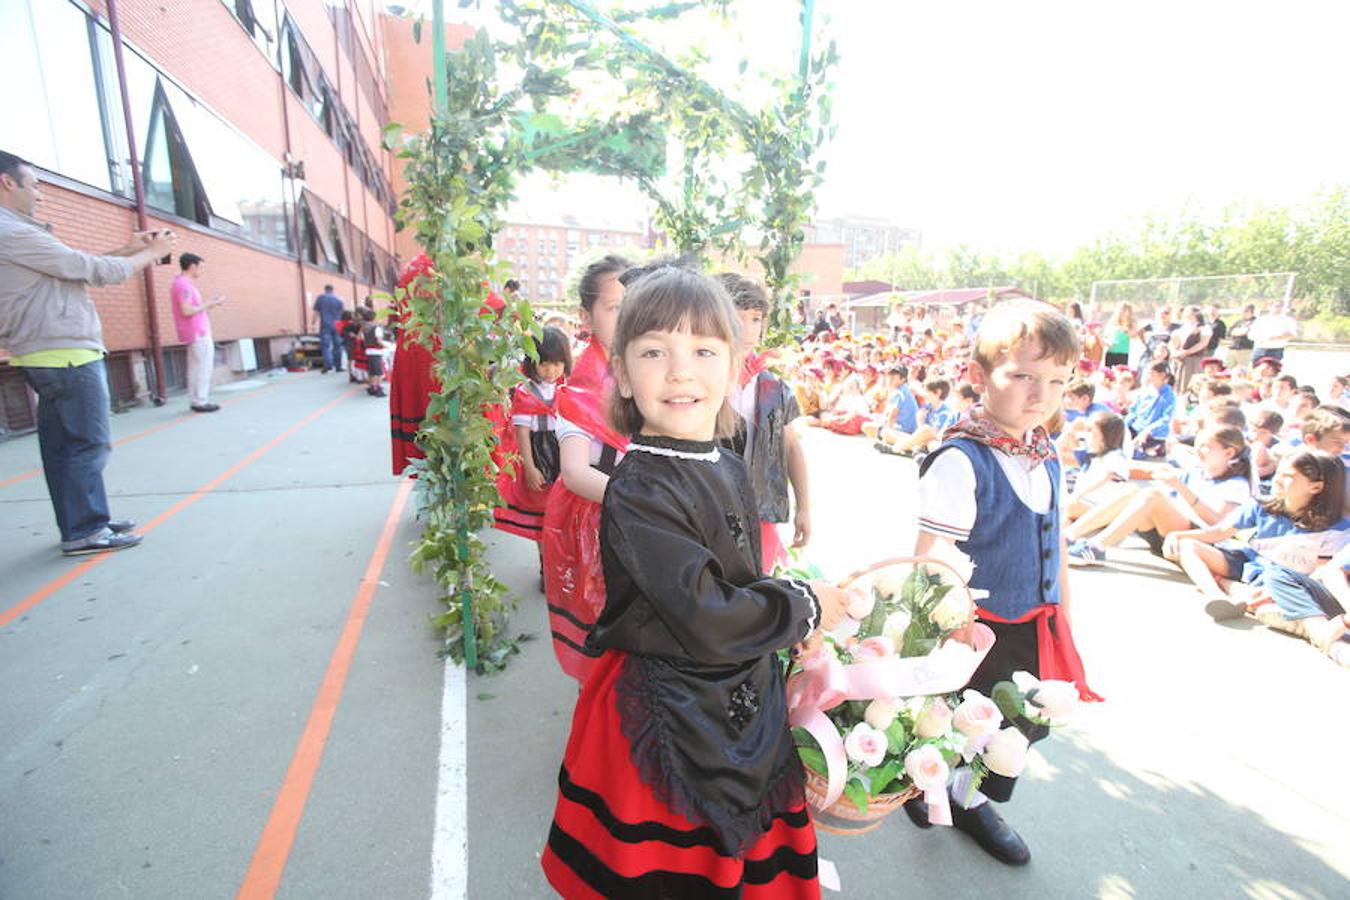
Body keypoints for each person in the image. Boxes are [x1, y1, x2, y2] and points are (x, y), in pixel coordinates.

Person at [540, 264, 847, 899]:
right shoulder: (641, 485)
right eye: (654, 351)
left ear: (736, 365)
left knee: (739, 857)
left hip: (737, 690)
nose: (681, 370)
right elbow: (706, 611)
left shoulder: (726, 463)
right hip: (665, 704)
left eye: (704, 350)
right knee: (673, 872)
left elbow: (741, 577)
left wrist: (789, 632)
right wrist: (804, 608)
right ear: (622, 372)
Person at [906, 299, 1099, 867]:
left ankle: (961, 795)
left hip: (1032, 620)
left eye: (1057, 381)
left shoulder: (1047, 454)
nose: (1040, 395)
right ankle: (940, 790)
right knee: (961, 719)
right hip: (975, 628)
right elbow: (932, 560)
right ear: (978, 375)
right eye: (1022, 376)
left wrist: (1062, 607)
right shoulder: (962, 459)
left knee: (1016, 723)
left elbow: (1055, 539)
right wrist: (949, 634)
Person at [0, 151, 176, 555]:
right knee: (88, 444)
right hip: (64, 353)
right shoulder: (13, 232)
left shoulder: (15, 233)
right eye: (35, 185)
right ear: (7, 183)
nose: (40, 195)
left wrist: (129, 248)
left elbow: (77, 268)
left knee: (64, 446)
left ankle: (82, 521)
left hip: (44, 352)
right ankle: (86, 529)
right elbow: (92, 271)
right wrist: (151, 253)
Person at [542, 254, 632, 683]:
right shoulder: (580, 390)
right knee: (607, 646)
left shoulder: (649, 370)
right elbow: (576, 473)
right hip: (605, 523)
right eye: (615, 308)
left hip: (640, 516)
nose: (630, 318)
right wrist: (646, 498)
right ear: (586, 315)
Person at [718, 272, 811, 573]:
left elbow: (791, 447)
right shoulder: (703, 380)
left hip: (761, 512)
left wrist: (804, 508)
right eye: (737, 316)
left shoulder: (772, 386)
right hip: (712, 510)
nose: (748, 328)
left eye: (756, 318)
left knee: (760, 587)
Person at [1168, 449, 1346, 606]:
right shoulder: (1263, 504)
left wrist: (1283, 590)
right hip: (1252, 565)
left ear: (1316, 487)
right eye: (1278, 472)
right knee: (1188, 546)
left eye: (1288, 476)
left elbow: (1323, 572)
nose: (1277, 480)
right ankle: (1217, 596)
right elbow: (1220, 532)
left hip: (1289, 581)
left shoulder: (1337, 527)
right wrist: (1178, 535)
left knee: (1278, 596)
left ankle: (1233, 589)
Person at [1065, 425, 1253, 563]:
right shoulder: (1197, 473)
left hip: (1197, 539)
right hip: (1166, 532)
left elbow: (1218, 523)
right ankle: (1069, 536)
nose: (1198, 451)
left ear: (1229, 453)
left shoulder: (1237, 485)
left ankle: (1097, 546)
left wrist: (1180, 488)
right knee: (1132, 491)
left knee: (1152, 495)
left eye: (1206, 446)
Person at [493, 326, 571, 547]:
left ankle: (559, 561)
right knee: (540, 508)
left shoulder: (567, 388)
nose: (551, 370)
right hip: (538, 451)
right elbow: (522, 432)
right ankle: (545, 563)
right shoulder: (525, 391)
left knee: (563, 508)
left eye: (557, 364)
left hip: (563, 449)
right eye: (544, 363)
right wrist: (529, 467)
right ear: (532, 362)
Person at [170, 252, 225, 413]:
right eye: (199, 267)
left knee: (195, 367)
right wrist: (209, 304)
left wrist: (210, 305)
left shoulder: (179, 283)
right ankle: (201, 400)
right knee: (202, 366)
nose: (200, 271)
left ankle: (196, 400)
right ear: (192, 266)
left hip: (192, 331)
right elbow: (187, 310)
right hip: (197, 331)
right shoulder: (184, 285)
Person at [311, 283, 344, 373]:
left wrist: (313, 323)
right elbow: (343, 314)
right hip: (337, 326)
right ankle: (338, 366)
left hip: (325, 325)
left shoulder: (321, 298)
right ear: (333, 290)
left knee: (325, 346)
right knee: (338, 346)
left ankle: (328, 365)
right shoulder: (339, 300)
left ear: (325, 290)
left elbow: (316, 312)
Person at [359, 307, 387, 397]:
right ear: (374, 318)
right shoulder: (376, 328)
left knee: (372, 371)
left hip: (368, 351)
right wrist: (386, 345)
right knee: (378, 372)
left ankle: (371, 387)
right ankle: (377, 388)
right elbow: (379, 341)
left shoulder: (364, 327)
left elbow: (360, 338)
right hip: (376, 351)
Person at [1225, 303, 1257, 369]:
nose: (1243, 312)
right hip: (1232, 349)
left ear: (1251, 312)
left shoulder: (1255, 322)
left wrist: (1237, 331)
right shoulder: (1239, 321)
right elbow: (1229, 332)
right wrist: (1237, 331)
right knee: (1228, 369)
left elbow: (1245, 331)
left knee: (1243, 371)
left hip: (1245, 350)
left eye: (1245, 311)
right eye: (1242, 311)